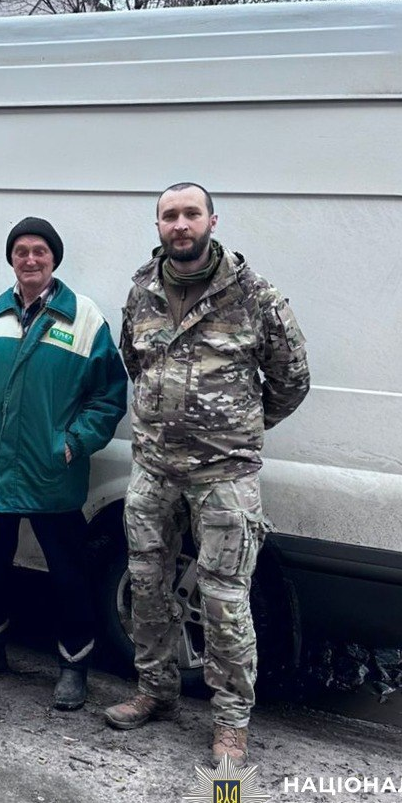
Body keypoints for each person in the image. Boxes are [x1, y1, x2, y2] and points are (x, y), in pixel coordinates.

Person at [104, 182, 309, 765]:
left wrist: (236, 428)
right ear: (158, 226)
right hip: (154, 469)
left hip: (224, 475)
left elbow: (291, 380)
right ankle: (155, 690)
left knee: (223, 601)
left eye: (191, 213)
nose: (180, 224)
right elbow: (135, 360)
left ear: (212, 221)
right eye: (169, 215)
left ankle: (230, 724)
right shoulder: (142, 291)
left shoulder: (254, 296)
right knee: (147, 585)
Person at [0, 217, 127, 710]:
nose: (30, 259)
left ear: (54, 259)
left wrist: (72, 443)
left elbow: (108, 396)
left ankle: (74, 665)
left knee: (68, 572)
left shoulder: (84, 318)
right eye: (21, 251)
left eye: (39, 251)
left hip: (51, 470)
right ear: (11, 259)